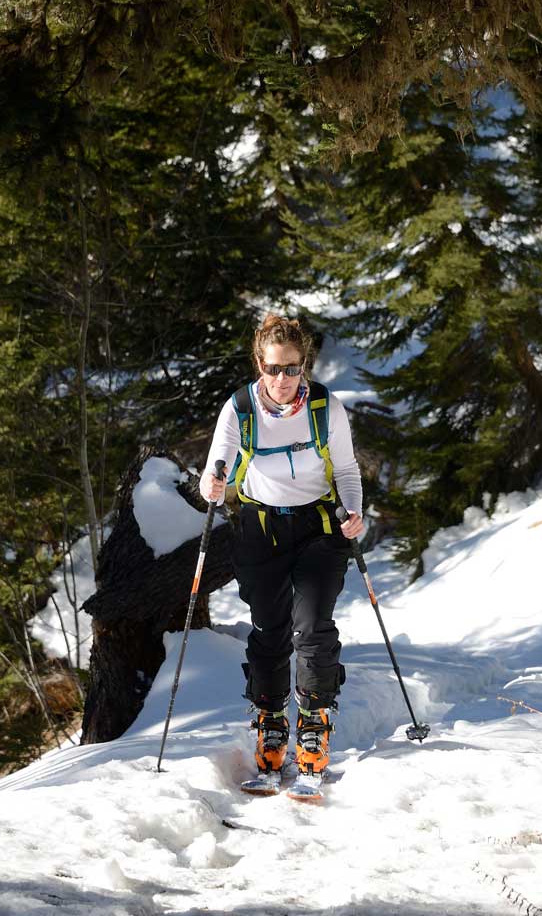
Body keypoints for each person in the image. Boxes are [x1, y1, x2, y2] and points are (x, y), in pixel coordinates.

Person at [201, 314, 365, 794]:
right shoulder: (239, 410)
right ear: (259, 364)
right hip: (260, 527)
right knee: (269, 628)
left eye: (291, 369)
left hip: (317, 525)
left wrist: (353, 511)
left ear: (304, 365)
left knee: (312, 624)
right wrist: (211, 484)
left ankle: (313, 730)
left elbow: (348, 471)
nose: (282, 380)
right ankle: (271, 730)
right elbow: (214, 476)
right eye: (273, 369)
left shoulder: (323, 408)